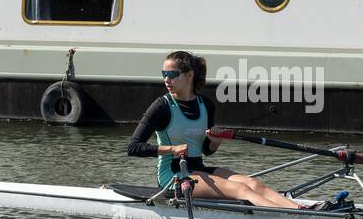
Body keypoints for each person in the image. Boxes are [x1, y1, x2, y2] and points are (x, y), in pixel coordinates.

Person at [126, 51, 307, 209]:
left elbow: (206, 150)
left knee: (253, 183)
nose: (167, 79)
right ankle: (293, 216)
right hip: (174, 176)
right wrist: (171, 149)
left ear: (189, 75)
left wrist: (214, 142)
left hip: (199, 168)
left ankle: (302, 208)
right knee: (241, 189)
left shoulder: (206, 105)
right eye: (164, 73)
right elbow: (133, 147)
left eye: (172, 74)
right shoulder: (161, 106)